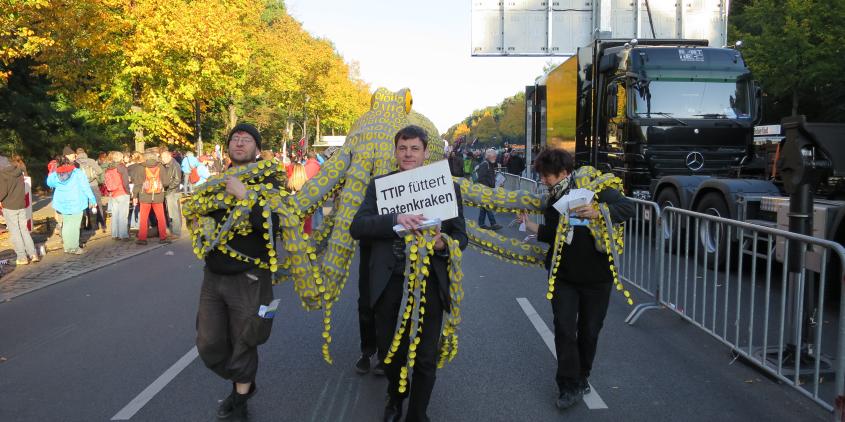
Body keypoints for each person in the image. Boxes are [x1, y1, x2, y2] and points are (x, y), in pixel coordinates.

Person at [350, 125, 468, 422]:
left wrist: (443, 243)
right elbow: (358, 226)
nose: (408, 154)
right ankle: (395, 396)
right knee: (392, 352)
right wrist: (394, 218)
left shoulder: (447, 187)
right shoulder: (380, 187)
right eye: (403, 148)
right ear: (395, 151)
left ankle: (418, 413)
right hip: (389, 283)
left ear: (426, 153)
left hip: (429, 281)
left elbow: (461, 235)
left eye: (415, 148)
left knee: (426, 356)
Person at [517, 149, 634, 410]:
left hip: (597, 278)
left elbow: (628, 207)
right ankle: (568, 385)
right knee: (564, 330)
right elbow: (551, 234)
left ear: (565, 173)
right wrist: (528, 224)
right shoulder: (553, 199)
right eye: (543, 176)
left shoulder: (595, 189)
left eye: (548, 176)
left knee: (590, 332)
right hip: (563, 277)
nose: (544, 181)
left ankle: (582, 376)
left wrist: (598, 211)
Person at [196, 123, 279, 421]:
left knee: (245, 338)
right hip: (214, 275)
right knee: (208, 342)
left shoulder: (270, 183)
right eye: (235, 139)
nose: (239, 143)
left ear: (257, 148)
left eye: (246, 140)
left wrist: (246, 196)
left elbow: (275, 226)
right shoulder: (217, 181)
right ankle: (244, 380)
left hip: (249, 276)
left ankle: (241, 398)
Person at [46, 157, 96, 254]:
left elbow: (49, 183)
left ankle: (67, 247)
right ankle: (74, 247)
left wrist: (53, 171)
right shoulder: (77, 172)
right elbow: (85, 186)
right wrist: (92, 198)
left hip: (63, 203)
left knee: (67, 225)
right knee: (74, 225)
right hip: (76, 202)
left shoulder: (55, 174)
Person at [0, 155, 39, 265]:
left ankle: (22, 257)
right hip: (21, 204)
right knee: (24, 230)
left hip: (9, 206)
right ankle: (33, 254)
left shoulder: (2, 175)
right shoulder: (18, 171)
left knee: (15, 232)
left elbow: (2, 192)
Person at [132, 151, 169, 245]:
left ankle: (142, 239)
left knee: (143, 218)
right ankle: (163, 237)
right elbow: (166, 183)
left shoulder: (140, 167)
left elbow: (137, 184)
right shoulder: (160, 167)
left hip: (144, 196)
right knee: (161, 217)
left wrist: (135, 196)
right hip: (158, 195)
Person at [75, 148, 106, 233]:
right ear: (85, 153)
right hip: (93, 185)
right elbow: (100, 171)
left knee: (85, 205)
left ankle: (87, 225)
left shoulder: (76, 163)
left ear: (76, 154)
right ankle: (102, 224)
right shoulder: (91, 161)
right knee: (98, 204)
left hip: (82, 187)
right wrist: (95, 176)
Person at [103, 151, 132, 241]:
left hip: (113, 193)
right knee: (123, 214)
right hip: (122, 192)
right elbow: (125, 181)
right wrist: (128, 192)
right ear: (120, 158)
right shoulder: (121, 167)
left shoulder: (109, 168)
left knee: (115, 214)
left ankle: (115, 234)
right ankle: (123, 235)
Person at [476, 148, 502, 230]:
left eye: (495, 156)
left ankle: (481, 224)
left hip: (487, 189)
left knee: (484, 207)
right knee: (487, 207)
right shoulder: (485, 164)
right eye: (494, 156)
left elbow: (488, 177)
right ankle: (493, 223)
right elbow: (481, 178)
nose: (495, 157)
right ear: (489, 156)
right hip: (486, 190)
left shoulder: (489, 164)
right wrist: (487, 188)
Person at [161, 149, 183, 239]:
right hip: (170, 191)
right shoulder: (167, 165)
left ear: (168, 156)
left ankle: (176, 232)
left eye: (163, 157)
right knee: (171, 212)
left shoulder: (175, 165)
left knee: (174, 213)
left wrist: (168, 188)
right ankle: (173, 230)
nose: (162, 159)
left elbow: (177, 180)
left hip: (173, 192)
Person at [286, 163, 311, 234]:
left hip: (293, 208)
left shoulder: (289, 183)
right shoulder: (308, 183)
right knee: (306, 230)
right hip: (305, 208)